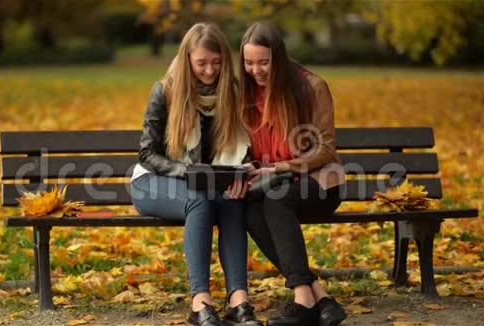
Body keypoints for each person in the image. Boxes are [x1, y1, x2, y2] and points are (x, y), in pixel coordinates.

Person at [130, 23, 261, 326]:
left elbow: (245, 147)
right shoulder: (165, 90)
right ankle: (200, 301)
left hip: (208, 184)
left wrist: (241, 175)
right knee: (199, 202)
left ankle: (238, 301)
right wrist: (187, 172)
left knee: (231, 200)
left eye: (216, 63)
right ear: (187, 59)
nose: (209, 71)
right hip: (153, 181)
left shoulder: (233, 92)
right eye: (201, 63)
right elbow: (146, 154)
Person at [238, 22, 348, 326]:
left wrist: (281, 167)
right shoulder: (246, 92)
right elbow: (249, 148)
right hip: (275, 183)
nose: (255, 70)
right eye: (248, 63)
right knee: (250, 213)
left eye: (263, 62)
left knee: (275, 198)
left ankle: (302, 301)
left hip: (320, 184)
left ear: (280, 58)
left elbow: (325, 149)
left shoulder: (311, 87)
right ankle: (319, 297)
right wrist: (249, 165)